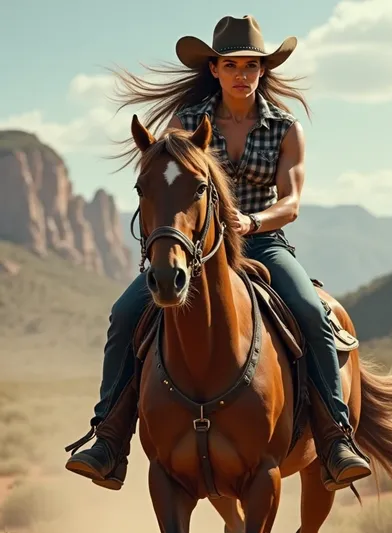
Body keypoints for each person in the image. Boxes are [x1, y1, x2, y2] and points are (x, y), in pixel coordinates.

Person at [65, 15, 371, 492]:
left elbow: (291, 202)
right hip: (199, 249)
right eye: (231, 65)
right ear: (214, 69)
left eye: (251, 66)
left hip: (262, 242)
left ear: (263, 70)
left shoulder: (285, 129)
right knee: (125, 314)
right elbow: (165, 185)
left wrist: (251, 222)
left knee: (313, 312)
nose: (242, 75)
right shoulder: (184, 125)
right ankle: (108, 437)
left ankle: (335, 439)